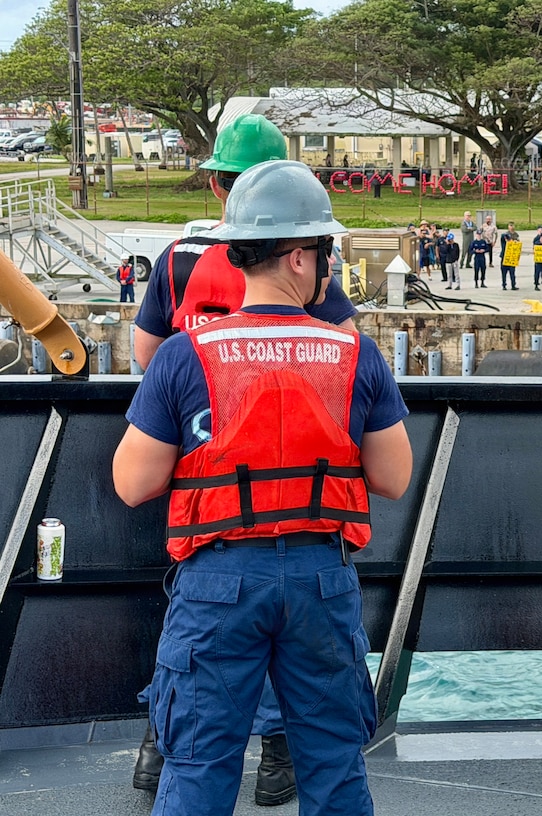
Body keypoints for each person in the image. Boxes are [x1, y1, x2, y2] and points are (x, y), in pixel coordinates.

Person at [112, 160, 413, 816]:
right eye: (327, 251)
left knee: (197, 768)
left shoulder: (184, 355)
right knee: (333, 769)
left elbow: (133, 483)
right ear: (301, 257)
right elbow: (392, 477)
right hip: (321, 582)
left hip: (217, 585)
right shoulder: (356, 354)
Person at [132, 114, 357, 371]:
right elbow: (348, 355)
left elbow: (148, 355)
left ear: (215, 186)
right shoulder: (298, 262)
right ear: (284, 187)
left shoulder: (177, 258)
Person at [499, 223, 519, 290]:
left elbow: (518, 243)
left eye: (512, 225)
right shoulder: (505, 235)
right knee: (504, 272)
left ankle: (513, 285)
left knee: (512, 272)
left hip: (512, 256)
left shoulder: (516, 234)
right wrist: (507, 238)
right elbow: (502, 236)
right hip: (505, 256)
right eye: (510, 226)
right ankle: (504, 285)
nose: (511, 227)